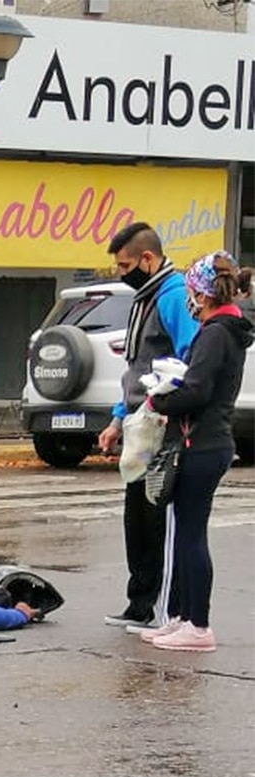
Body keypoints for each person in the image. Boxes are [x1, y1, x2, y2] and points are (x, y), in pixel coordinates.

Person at [135, 252, 252, 653]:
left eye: (190, 291)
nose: (188, 299)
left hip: (203, 444)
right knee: (186, 533)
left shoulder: (217, 333)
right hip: (205, 442)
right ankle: (183, 617)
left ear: (202, 294)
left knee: (190, 535)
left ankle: (198, 625)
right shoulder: (222, 329)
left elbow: (198, 390)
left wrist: (159, 402)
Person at [96, 223, 199, 631]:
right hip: (140, 422)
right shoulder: (144, 296)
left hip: (163, 424)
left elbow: (189, 356)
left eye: (125, 265)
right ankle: (138, 603)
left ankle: (156, 608)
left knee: (155, 518)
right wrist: (118, 418)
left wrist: (169, 408)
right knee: (135, 517)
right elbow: (135, 367)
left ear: (147, 259)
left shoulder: (172, 295)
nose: (121, 272)